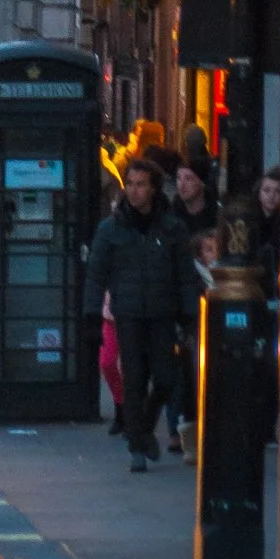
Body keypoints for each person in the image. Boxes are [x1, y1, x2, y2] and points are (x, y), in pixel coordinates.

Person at [82, 155, 200, 472]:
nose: (134, 191)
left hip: (162, 312)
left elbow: (186, 275)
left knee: (165, 378)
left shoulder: (172, 228)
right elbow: (96, 274)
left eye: (141, 185)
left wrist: (189, 314)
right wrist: (92, 315)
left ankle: (143, 427)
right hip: (129, 313)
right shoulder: (111, 229)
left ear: (154, 189)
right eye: (130, 185)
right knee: (134, 378)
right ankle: (137, 446)